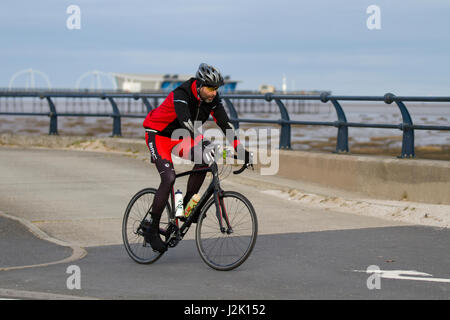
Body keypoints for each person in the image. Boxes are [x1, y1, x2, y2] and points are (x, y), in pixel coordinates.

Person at [141, 63, 252, 253]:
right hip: (158, 135)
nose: (213, 93)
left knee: (205, 159)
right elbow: (185, 123)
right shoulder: (181, 94)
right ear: (199, 85)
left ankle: (185, 205)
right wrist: (203, 142)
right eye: (209, 88)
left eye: (216, 89)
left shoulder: (212, 100)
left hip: (178, 138)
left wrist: (241, 151)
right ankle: (152, 229)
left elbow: (225, 125)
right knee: (169, 178)